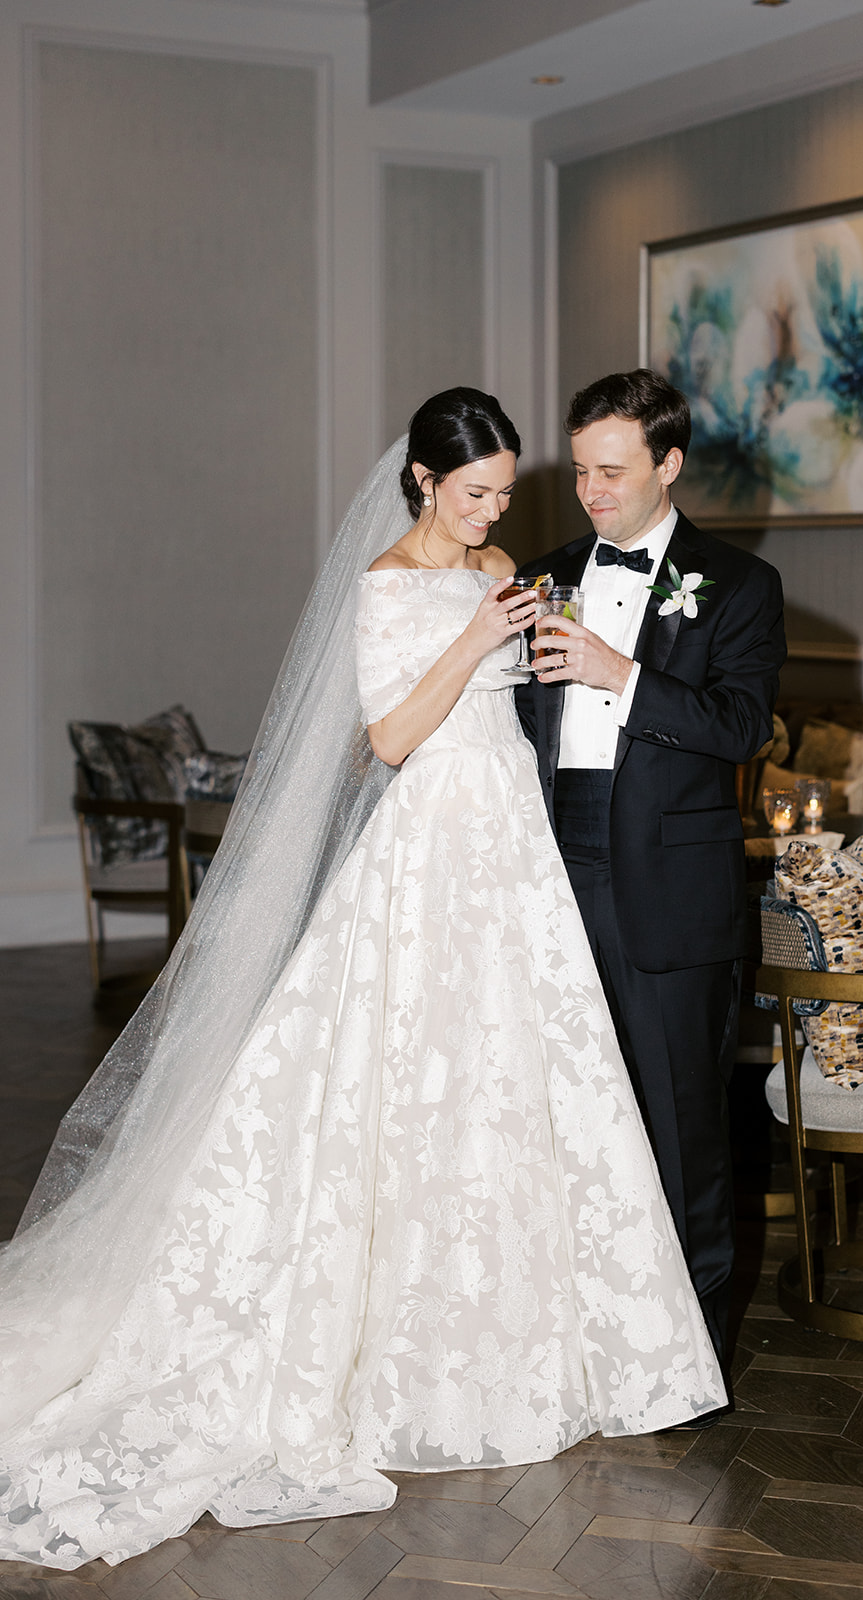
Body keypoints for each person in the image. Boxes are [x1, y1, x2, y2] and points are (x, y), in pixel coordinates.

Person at [0, 388, 725, 1572]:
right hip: (430, 842)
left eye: (504, 491)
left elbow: (526, 701)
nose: (496, 511)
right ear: (421, 484)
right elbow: (388, 739)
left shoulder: (497, 563)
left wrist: (536, 641)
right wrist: (475, 638)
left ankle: (540, 1345)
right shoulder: (386, 585)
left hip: (513, 850)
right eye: (475, 491)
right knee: (397, 1088)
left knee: (523, 1093)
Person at [515, 370, 786, 1410]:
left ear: (667, 464)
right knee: (558, 1125)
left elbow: (737, 727)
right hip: (544, 874)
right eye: (580, 469)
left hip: (668, 894)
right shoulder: (539, 576)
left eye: (611, 471)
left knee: (680, 1133)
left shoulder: (737, 584)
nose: (590, 491)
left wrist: (614, 672)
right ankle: (579, 1345)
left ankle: (689, 1366)